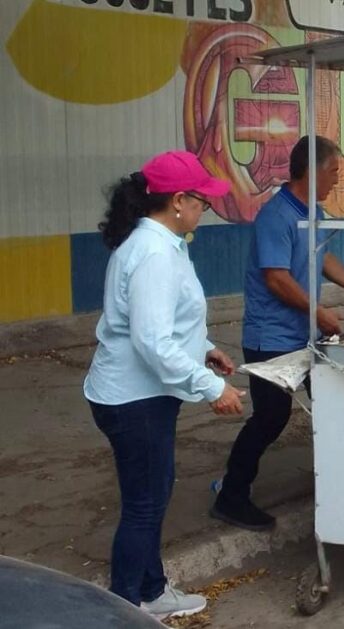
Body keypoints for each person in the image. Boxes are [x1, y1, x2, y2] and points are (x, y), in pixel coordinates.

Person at [83, 151, 246, 620]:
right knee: (144, 504)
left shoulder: (161, 242)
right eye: (203, 202)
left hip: (138, 392)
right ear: (178, 200)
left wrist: (204, 346)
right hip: (135, 398)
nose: (205, 210)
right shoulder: (154, 253)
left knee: (154, 493)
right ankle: (126, 606)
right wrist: (210, 387)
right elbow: (152, 340)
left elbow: (163, 322)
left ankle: (152, 590)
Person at [211, 136, 344, 531]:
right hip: (271, 338)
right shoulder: (277, 216)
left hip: (305, 334)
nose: (337, 180)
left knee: (333, 402)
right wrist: (319, 312)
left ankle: (340, 482)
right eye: (334, 172)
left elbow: (321, 257)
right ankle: (231, 496)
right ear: (314, 170)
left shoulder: (312, 212)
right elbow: (276, 278)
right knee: (271, 417)